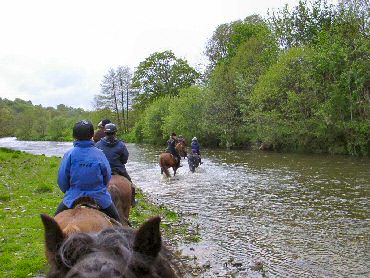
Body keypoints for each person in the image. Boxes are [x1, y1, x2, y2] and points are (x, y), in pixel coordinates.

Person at [55, 120, 121, 222]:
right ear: (92, 135)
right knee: (117, 221)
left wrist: (69, 191)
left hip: (73, 196)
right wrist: (100, 188)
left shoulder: (69, 154)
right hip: (99, 196)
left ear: (74, 136)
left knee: (55, 220)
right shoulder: (100, 154)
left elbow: (62, 179)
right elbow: (107, 176)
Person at [95, 123, 137, 207]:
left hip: (103, 171)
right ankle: (132, 201)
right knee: (131, 185)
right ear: (115, 133)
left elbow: (96, 159)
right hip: (119, 170)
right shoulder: (121, 145)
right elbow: (124, 159)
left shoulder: (98, 144)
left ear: (105, 133)